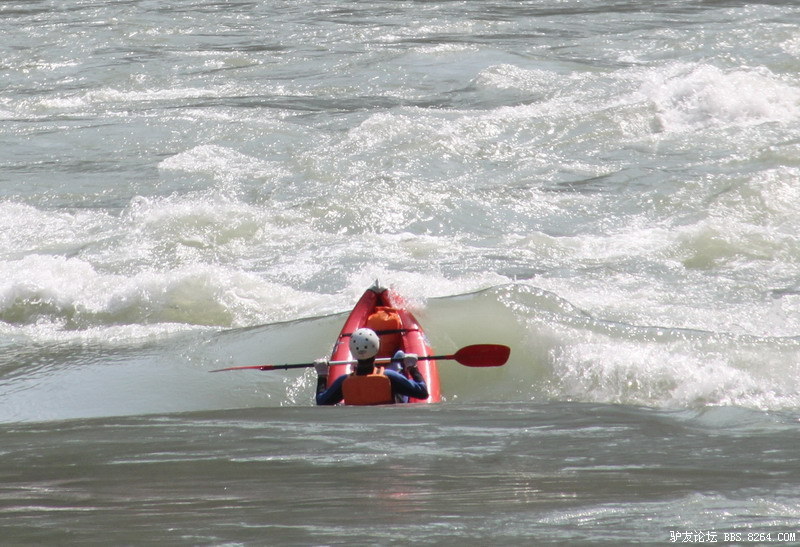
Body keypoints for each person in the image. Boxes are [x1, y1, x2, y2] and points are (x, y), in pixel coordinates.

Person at [315, 327, 429, 405]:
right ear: (376, 347)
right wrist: (412, 368)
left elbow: (321, 401)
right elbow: (423, 393)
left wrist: (322, 375)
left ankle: (397, 363)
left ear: (352, 351)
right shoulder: (390, 377)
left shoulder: (343, 382)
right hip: (391, 409)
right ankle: (400, 365)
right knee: (399, 357)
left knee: (397, 361)